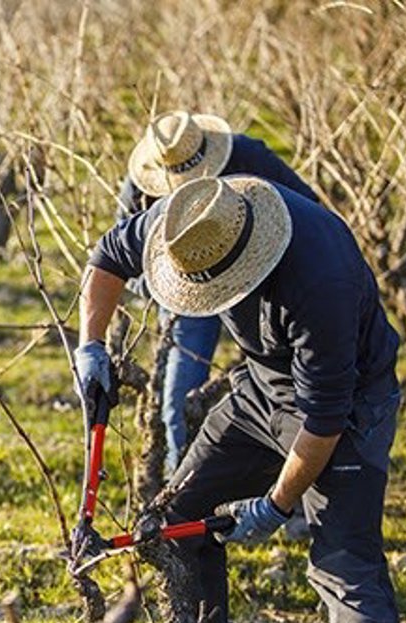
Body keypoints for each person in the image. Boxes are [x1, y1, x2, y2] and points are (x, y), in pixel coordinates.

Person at [74, 175, 406, 623]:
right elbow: (106, 257)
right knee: (178, 516)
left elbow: (324, 421)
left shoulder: (318, 281)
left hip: (349, 408)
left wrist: (276, 504)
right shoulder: (188, 222)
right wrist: (90, 348)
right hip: (259, 389)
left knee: (344, 571)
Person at [118, 111, 319, 475]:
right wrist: (167, 287)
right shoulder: (141, 184)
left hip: (259, 279)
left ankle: (295, 476)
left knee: (288, 385)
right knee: (179, 395)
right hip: (189, 287)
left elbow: (309, 208)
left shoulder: (248, 157)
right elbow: (120, 255)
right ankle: (181, 479)